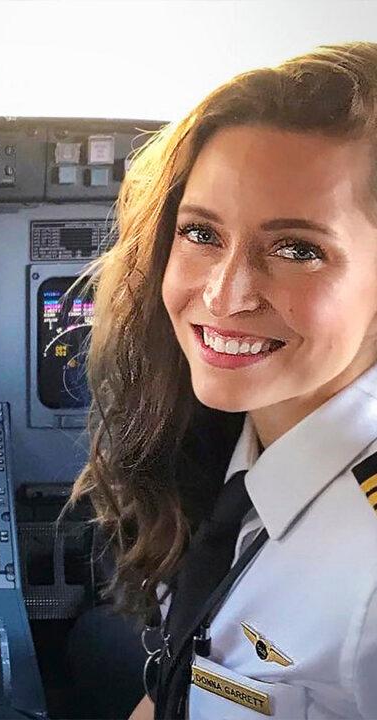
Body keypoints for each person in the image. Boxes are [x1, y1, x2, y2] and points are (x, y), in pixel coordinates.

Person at [72, 43, 377, 719]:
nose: (224, 294)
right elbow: (187, 681)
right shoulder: (225, 441)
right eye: (202, 233)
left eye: (297, 249)